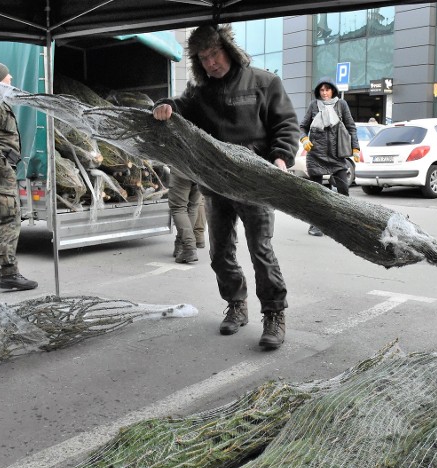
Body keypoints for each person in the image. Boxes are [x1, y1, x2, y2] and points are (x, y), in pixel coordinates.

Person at [152, 24, 299, 350]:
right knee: (220, 254)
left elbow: (286, 124)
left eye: (214, 54)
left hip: (255, 184)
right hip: (216, 186)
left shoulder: (264, 82)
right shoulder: (200, 92)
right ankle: (236, 304)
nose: (210, 63)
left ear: (229, 49)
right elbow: (177, 105)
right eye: (202, 58)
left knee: (261, 251)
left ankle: (274, 314)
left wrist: (280, 158)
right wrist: (163, 105)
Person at [0, 61, 38, 291]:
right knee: (9, 220)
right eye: (6, 75)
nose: (10, 77)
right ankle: (9, 273)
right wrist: (6, 170)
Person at [299, 78, 359, 237]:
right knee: (316, 193)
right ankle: (316, 225)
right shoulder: (313, 105)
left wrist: (356, 148)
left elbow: (351, 126)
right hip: (315, 154)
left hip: (336, 154)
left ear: (333, 90)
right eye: (322, 90)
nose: (324, 93)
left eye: (327, 89)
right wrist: (304, 139)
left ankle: (345, 223)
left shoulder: (342, 105)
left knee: (343, 189)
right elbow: (303, 126)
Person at [168, 169, 205, 263]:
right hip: (200, 172)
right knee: (192, 207)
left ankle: (189, 247)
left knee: (178, 208)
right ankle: (181, 245)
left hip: (181, 169)